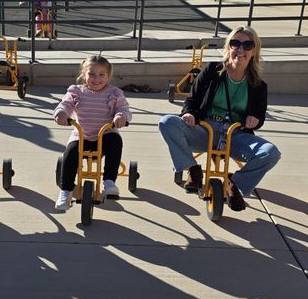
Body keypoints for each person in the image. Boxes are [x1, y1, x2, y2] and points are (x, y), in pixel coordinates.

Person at [158, 26, 281, 212]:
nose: (241, 49)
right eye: (235, 43)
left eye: (247, 45)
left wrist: (254, 120)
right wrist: (189, 113)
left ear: (254, 50)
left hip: (235, 135)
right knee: (167, 122)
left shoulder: (258, 85)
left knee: (271, 153)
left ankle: (235, 184)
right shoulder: (212, 71)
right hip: (204, 130)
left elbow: (259, 116)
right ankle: (192, 168)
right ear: (228, 46)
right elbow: (192, 100)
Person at [53, 55, 132, 211]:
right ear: (84, 74)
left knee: (115, 141)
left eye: (101, 74)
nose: (96, 78)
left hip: (105, 136)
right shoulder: (76, 92)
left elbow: (124, 109)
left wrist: (121, 116)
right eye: (92, 74)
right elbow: (65, 105)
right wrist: (61, 114)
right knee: (70, 154)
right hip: (82, 136)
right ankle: (66, 191)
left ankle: (109, 181)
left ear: (108, 77)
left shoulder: (115, 94)